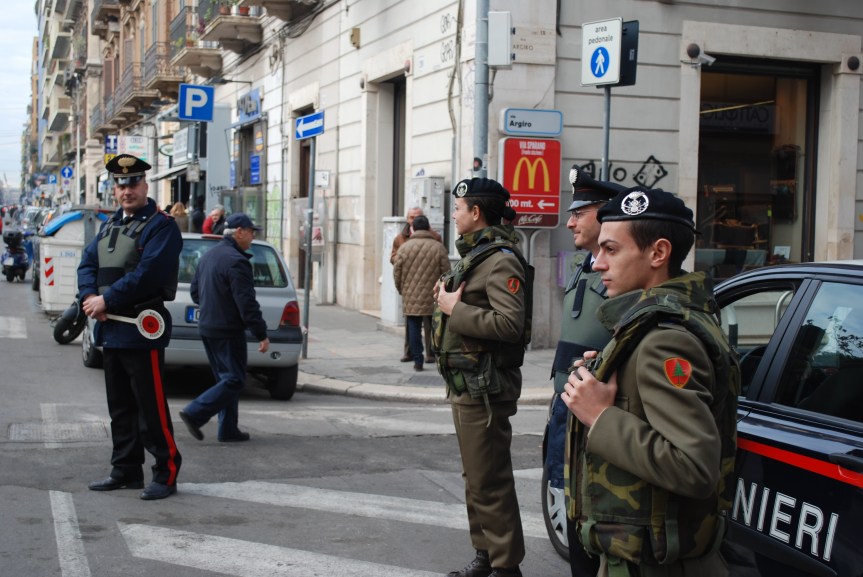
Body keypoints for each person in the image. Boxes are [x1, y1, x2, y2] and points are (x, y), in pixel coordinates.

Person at [561, 186, 740, 577]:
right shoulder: (657, 322)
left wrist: (600, 415)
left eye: (611, 250)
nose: (597, 264)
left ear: (658, 253)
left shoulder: (667, 339)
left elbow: (694, 467)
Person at [433, 177, 530, 577]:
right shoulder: (477, 255)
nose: (454, 215)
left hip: (486, 388)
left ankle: (506, 566)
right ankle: (486, 555)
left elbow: (510, 324)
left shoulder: (501, 259)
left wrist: (454, 310)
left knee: (490, 478)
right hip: (468, 384)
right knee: (476, 477)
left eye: (458, 209)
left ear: (476, 212)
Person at [77, 154, 183, 501]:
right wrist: (89, 297)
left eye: (133, 183)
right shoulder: (110, 225)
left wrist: (106, 301)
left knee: (150, 408)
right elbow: (87, 263)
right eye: (121, 184)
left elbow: (147, 274)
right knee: (120, 407)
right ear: (114, 188)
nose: (127, 190)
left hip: (141, 328)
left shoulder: (161, 226)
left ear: (145, 185)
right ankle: (126, 469)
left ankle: (166, 472)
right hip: (111, 329)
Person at [544, 166, 625, 577]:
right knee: (568, 503)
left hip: (596, 414)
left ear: (606, 214)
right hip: (566, 405)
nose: (570, 222)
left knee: (589, 522)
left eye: (580, 213)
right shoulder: (583, 263)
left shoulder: (625, 276)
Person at [178, 213, 270, 443]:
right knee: (235, 380)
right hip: (227, 329)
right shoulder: (237, 261)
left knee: (225, 379)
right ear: (239, 231)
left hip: (208, 326)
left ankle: (228, 429)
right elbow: (246, 303)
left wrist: (213, 305)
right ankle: (195, 412)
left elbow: (196, 293)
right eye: (251, 231)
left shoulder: (209, 255)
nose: (253, 236)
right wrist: (261, 334)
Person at [393, 215, 450, 371]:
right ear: (428, 228)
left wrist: (401, 289)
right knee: (435, 327)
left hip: (410, 295)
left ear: (413, 228)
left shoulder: (404, 248)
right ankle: (436, 357)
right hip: (434, 295)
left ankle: (418, 361)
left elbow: (397, 272)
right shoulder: (438, 247)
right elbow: (446, 272)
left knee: (413, 327)